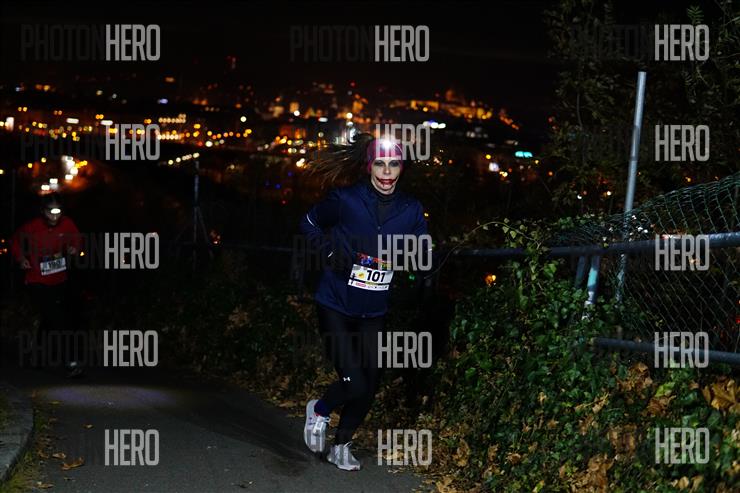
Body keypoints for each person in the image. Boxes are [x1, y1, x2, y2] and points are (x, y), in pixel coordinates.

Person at [299, 133, 429, 470]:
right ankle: (319, 410)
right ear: (369, 166)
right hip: (335, 303)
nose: (386, 172)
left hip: (374, 311)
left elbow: (422, 251)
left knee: (369, 384)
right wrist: (330, 251)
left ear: (401, 168)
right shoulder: (345, 200)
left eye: (394, 164)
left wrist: (413, 266)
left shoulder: (411, 210)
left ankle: (341, 446)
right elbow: (308, 224)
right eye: (380, 164)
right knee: (353, 381)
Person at [10, 193, 82, 376]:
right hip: (37, 280)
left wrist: (75, 248)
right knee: (58, 318)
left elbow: (77, 238)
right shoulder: (32, 226)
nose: (54, 216)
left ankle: (37, 355)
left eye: (58, 212)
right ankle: (70, 361)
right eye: (50, 212)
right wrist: (21, 259)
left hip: (59, 279)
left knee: (49, 319)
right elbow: (15, 241)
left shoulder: (67, 224)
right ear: (43, 211)